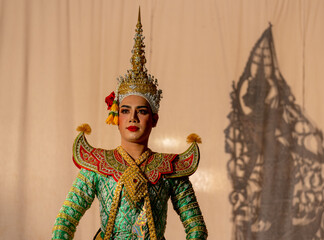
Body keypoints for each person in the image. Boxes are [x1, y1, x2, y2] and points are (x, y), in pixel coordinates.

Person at [52, 9, 208, 240]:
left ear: (154, 119)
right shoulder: (96, 166)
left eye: (141, 111)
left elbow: (196, 228)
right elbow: (65, 221)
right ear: (116, 118)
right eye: (125, 111)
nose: (133, 118)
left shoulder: (171, 169)